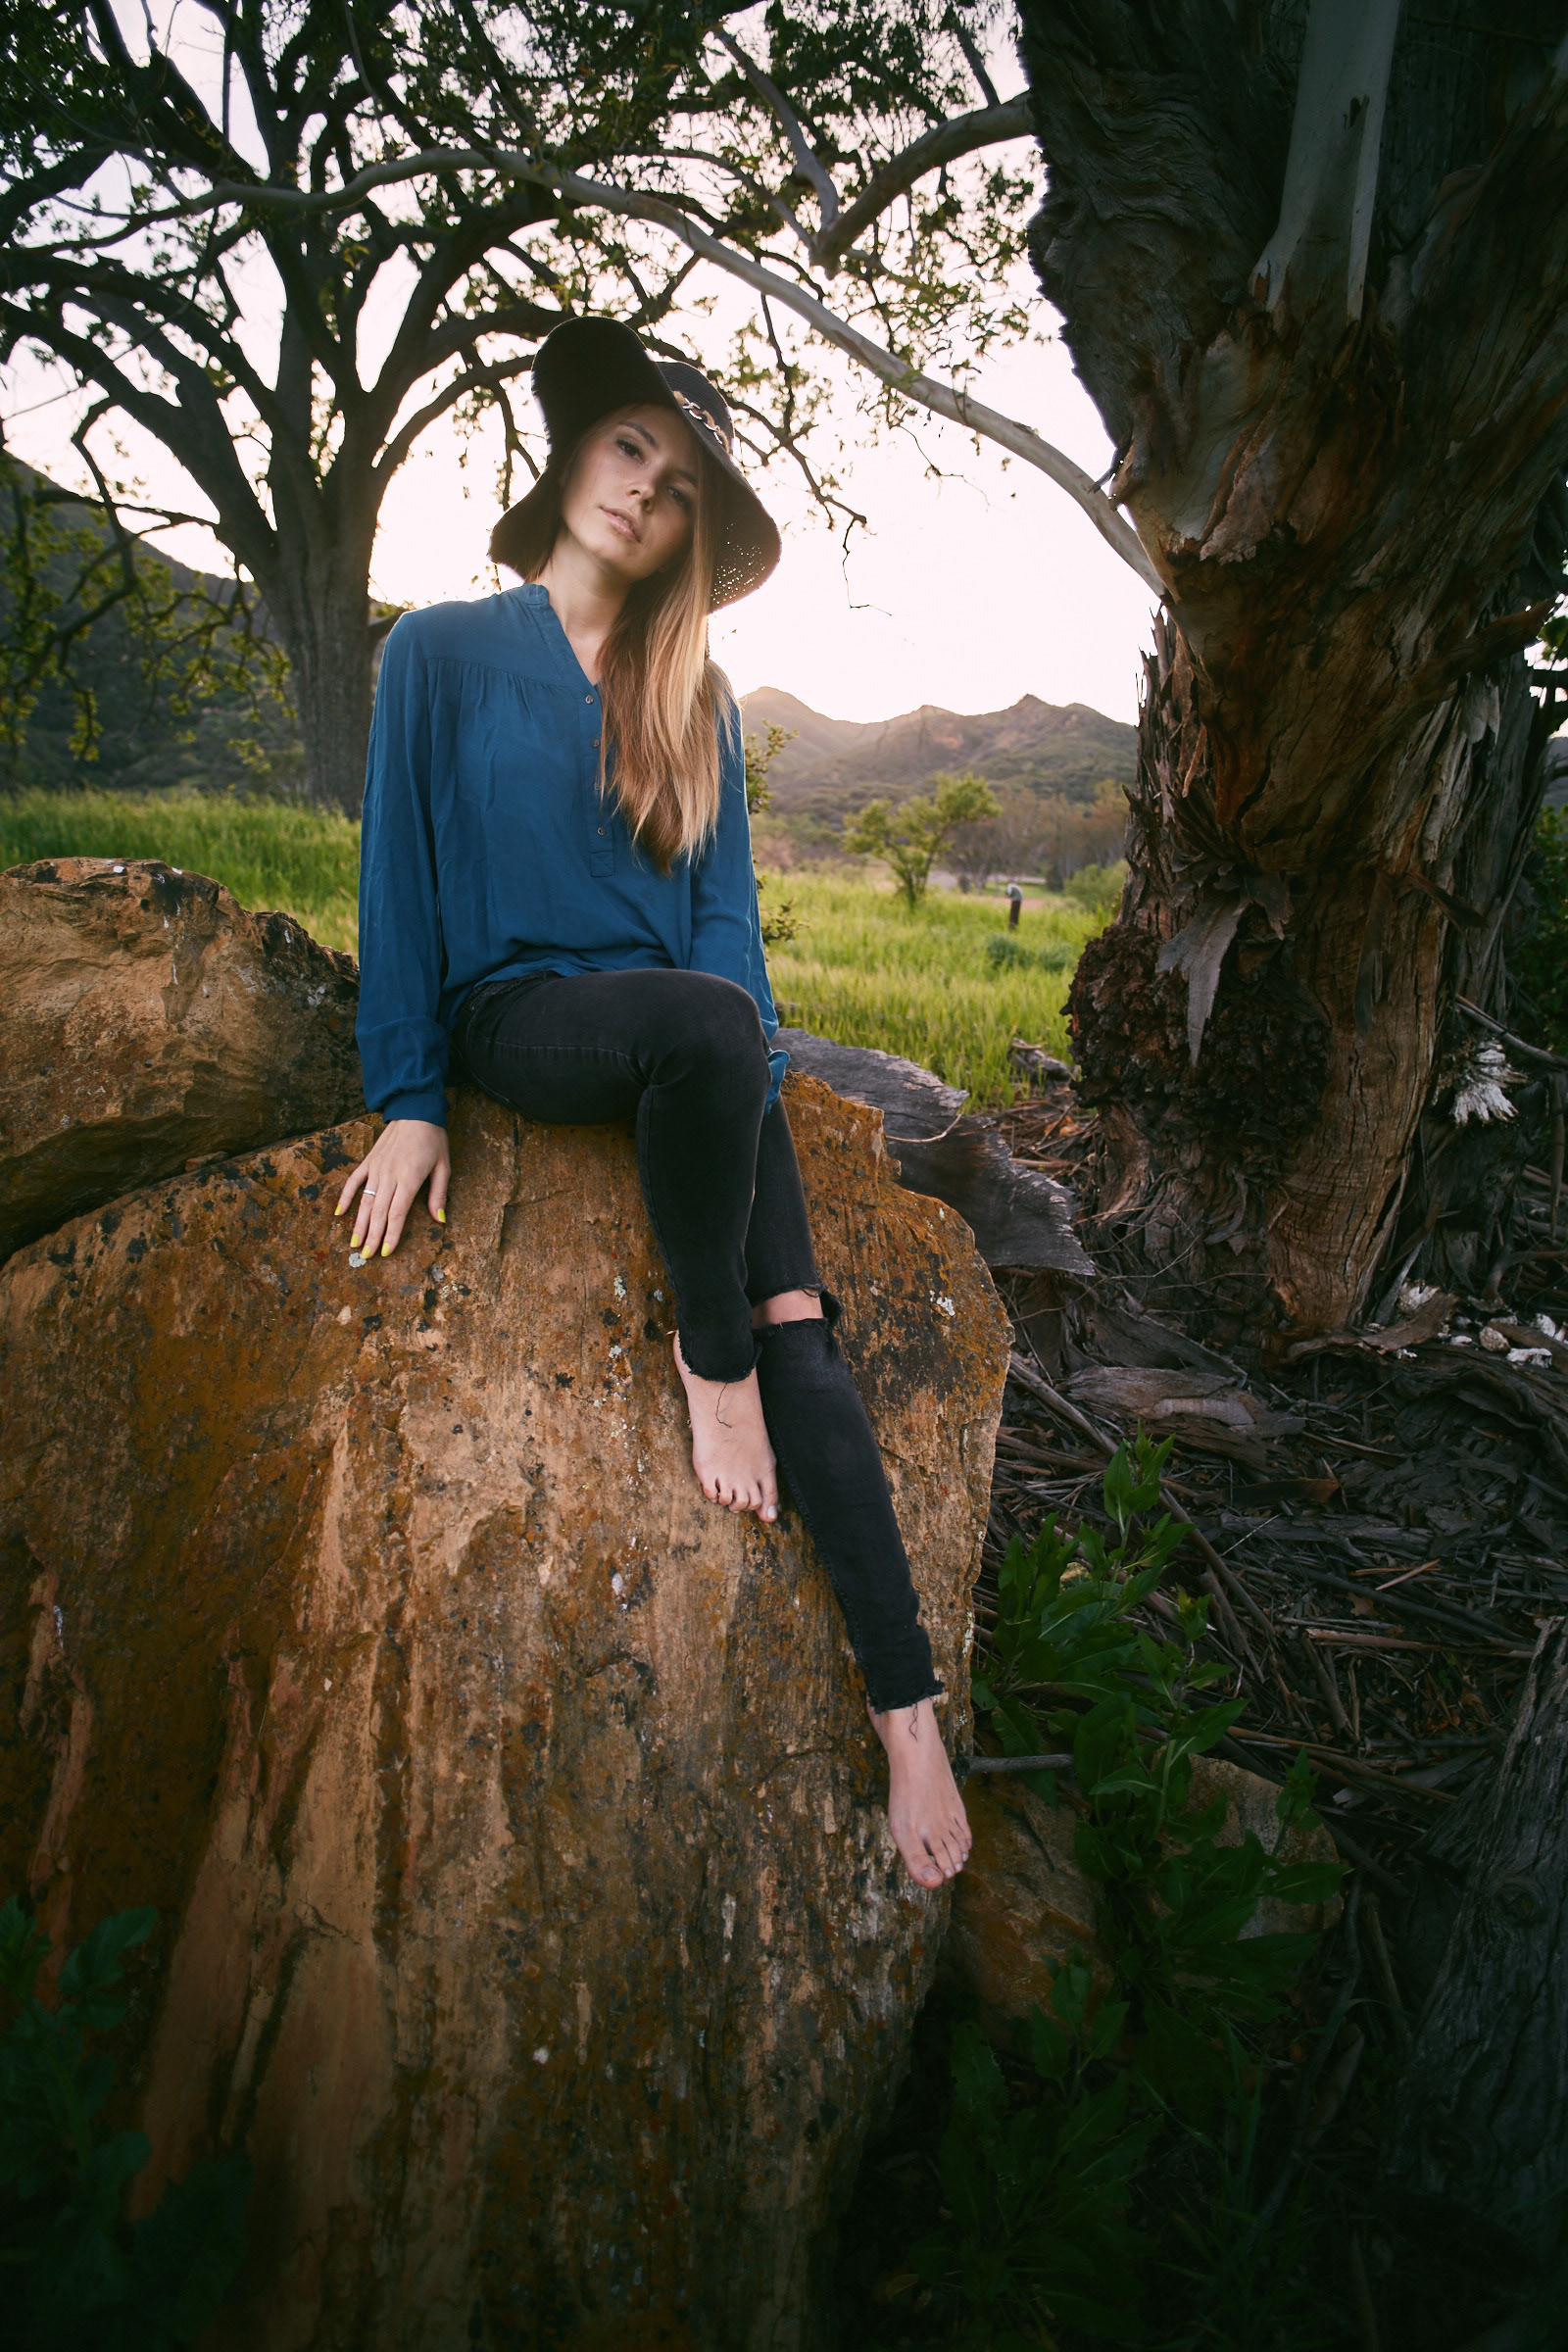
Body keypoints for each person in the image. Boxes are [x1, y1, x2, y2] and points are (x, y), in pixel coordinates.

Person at [336, 316, 971, 1891]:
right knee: (712, 1090)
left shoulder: (700, 697)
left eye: (679, 482)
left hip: (692, 1049)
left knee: (804, 1318)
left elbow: (726, 931)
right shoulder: (438, 649)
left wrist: (750, 1078)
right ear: (571, 453)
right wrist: (410, 1095)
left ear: (693, 530)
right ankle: (709, 1363)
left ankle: (909, 1716)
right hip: (525, 1021)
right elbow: (397, 882)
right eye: (630, 447)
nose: (642, 490)